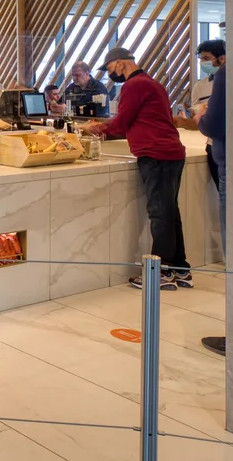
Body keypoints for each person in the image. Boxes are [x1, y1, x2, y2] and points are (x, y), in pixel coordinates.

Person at [83, 48, 191, 290]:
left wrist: (96, 128)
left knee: (160, 215)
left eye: (110, 69)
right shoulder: (152, 83)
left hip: (156, 154)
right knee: (170, 213)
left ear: (120, 63)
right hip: (171, 152)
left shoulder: (133, 85)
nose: (110, 75)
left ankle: (160, 273)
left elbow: (122, 123)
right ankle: (179, 268)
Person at [195, 39, 226, 356]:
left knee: (232, 230)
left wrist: (203, 117)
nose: (205, 62)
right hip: (228, 155)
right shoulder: (204, 81)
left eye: (207, 58)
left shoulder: (227, 76)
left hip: (226, 156)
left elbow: (212, 122)